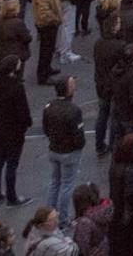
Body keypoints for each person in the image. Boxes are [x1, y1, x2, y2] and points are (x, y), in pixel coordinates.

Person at [0, 57, 32, 206]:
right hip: (14, 130)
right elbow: (23, 110)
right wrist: (26, 124)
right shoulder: (16, 86)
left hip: (0, 128)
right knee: (12, 163)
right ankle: (12, 197)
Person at [42, 77, 87, 219]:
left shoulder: (49, 106)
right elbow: (78, 135)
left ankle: (49, 214)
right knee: (67, 185)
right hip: (69, 152)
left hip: (54, 149)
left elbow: (46, 128)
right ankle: (62, 219)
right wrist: (79, 146)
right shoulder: (74, 110)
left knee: (55, 181)